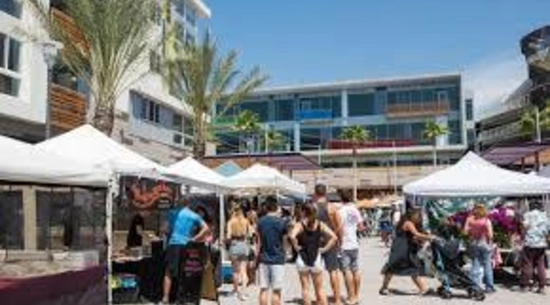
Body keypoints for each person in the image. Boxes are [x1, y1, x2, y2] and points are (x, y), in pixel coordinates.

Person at [162, 199, 210, 304]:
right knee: (183, 272)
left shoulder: (172, 213)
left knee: (168, 272)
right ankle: (180, 298)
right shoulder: (193, 215)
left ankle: (165, 298)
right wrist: (194, 238)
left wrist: (170, 234)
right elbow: (206, 228)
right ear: (189, 204)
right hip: (186, 245)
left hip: (173, 244)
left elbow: (164, 229)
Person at [290, 203, 337, 305]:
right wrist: (324, 249)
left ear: (303, 212)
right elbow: (334, 237)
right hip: (316, 258)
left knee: (305, 288)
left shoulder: (300, 224)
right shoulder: (320, 224)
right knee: (320, 289)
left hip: (302, 258)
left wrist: (296, 247)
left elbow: (292, 236)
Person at [380, 208, 433, 296]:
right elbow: (417, 234)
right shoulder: (408, 223)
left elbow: (411, 236)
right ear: (412, 215)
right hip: (403, 247)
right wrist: (430, 237)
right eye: (417, 215)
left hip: (401, 246)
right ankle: (384, 288)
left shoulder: (404, 222)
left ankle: (422, 288)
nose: (418, 217)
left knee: (402, 267)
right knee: (395, 267)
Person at [313, 184, 343, 305]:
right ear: (325, 193)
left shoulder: (312, 207)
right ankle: (337, 300)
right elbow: (339, 225)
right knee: (333, 271)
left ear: (315, 193)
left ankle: (320, 299)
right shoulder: (332, 208)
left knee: (316, 272)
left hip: (315, 242)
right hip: (331, 241)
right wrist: (339, 239)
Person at [256, 196, 288, 305]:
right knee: (276, 290)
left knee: (263, 289)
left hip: (263, 258)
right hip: (278, 258)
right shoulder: (282, 222)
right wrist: (285, 253)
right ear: (276, 207)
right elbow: (284, 242)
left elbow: (258, 242)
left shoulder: (260, 222)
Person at [338, 190, 364, 305]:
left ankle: (351, 297)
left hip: (344, 243)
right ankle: (356, 296)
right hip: (354, 243)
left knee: (347, 270)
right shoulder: (355, 210)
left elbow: (339, 228)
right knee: (356, 270)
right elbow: (361, 227)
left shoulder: (340, 211)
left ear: (341, 199)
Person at [464, 203, 496, 293]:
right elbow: (490, 235)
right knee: (487, 265)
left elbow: (465, 232)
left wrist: (472, 230)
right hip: (484, 243)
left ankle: (475, 285)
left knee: (475, 264)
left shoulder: (469, 219)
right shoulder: (486, 220)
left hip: (474, 243)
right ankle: (489, 287)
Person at [520, 200, 549, 294]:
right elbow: (548, 230)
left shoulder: (527, 215)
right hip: (541, 243)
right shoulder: (545, 216)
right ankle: (542, 287)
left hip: (529, 243)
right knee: (541, 265)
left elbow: (524, 228)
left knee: (528, 264)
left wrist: (522, 237)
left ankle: (526, 286)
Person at [226, 205, 253, 300]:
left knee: (235, 271)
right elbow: (250, 234)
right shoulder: (246, 221)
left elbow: (228, 236)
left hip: (234, 245)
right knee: (243, 271)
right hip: (244, 245)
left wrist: (226, 241)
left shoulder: (230, 222)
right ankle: (243, 293)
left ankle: (235, 290)